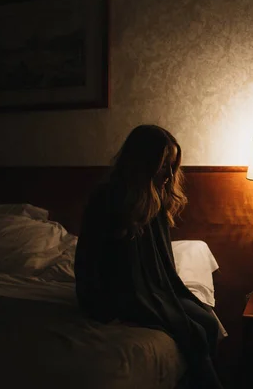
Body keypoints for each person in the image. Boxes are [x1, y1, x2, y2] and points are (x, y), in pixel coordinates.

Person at [74, 124, 224, 389]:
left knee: (209, 323)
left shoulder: (156, 196)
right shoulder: (107, 199)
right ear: (143, 162)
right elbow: (88, 260)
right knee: (195, 333)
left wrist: (168, 292)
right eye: (163, 164)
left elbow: (161, 261)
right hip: (121, 292)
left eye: (172, 165)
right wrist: (99, 304)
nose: (169, 173)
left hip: (155, 287)